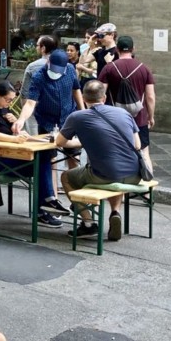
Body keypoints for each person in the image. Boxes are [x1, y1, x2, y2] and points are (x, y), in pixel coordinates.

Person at [55, 80, 144, 241]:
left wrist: (82, 140)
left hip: (104, 174)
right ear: (103, 97)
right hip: (134, 173)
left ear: (83, 97)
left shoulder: (77, 117)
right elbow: (137, 145)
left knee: (66, 177)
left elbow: (59, 142)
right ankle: (115, 212)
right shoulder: (124, 113)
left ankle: (88, 223)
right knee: (114, 174)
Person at [0, 81, 67, 228]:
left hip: (9, 154)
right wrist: (14, 138)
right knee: (39, 165)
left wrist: (26, 133)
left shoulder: (5, 110)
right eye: (8, 99)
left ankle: (47, 203)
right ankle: (45, 207)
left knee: (44, 158)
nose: (10, 103)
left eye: (12, 100)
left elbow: (21, 134)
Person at [98, 35, 157, 171]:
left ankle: (121, 188)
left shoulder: (109, 68)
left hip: (114, 118)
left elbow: (100, 94)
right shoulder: (144, 68)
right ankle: (147, 190)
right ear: (133, 49)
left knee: (116, 153)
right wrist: (150, 116)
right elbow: (150, 96)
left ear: (117, 49)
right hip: (139, 118)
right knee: (144, 152)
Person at [14, 47, 84, 138]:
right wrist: (21, 119)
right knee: (47, 150)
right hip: (47, 121)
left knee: (73, 149)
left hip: (68, 117)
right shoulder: (39, 77)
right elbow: (30, 103)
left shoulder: (70, 70)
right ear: (48, 62)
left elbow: (76, 90)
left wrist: (82, 111)